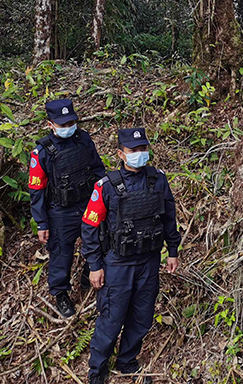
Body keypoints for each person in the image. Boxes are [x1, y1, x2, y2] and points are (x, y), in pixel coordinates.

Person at [81, 128, 181, 384]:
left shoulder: (158, 180)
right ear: (120, 154)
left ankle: (127, 361)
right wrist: (94, 265)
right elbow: (90, 226)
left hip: (148, 260)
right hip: (118, 263)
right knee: (111, 319)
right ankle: (98, 371)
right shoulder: (107, 186)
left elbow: (169, 216)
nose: (139, 154)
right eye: (133, 150)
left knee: (142, 315)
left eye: (143, 149)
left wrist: (172, 250)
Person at [28, 98, 106, 317]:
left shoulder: (83, 140)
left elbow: (98, 170)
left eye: (71, 123)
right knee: (61, 253)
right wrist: (41, 222)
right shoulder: (42, 151)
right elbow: (37, 188)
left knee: (101, 240)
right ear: (50, 124)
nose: (68, 128)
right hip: (60, 211)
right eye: (62, 125)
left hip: (88, 203)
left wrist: (105, 200)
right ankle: (61, 294)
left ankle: (87, 275)